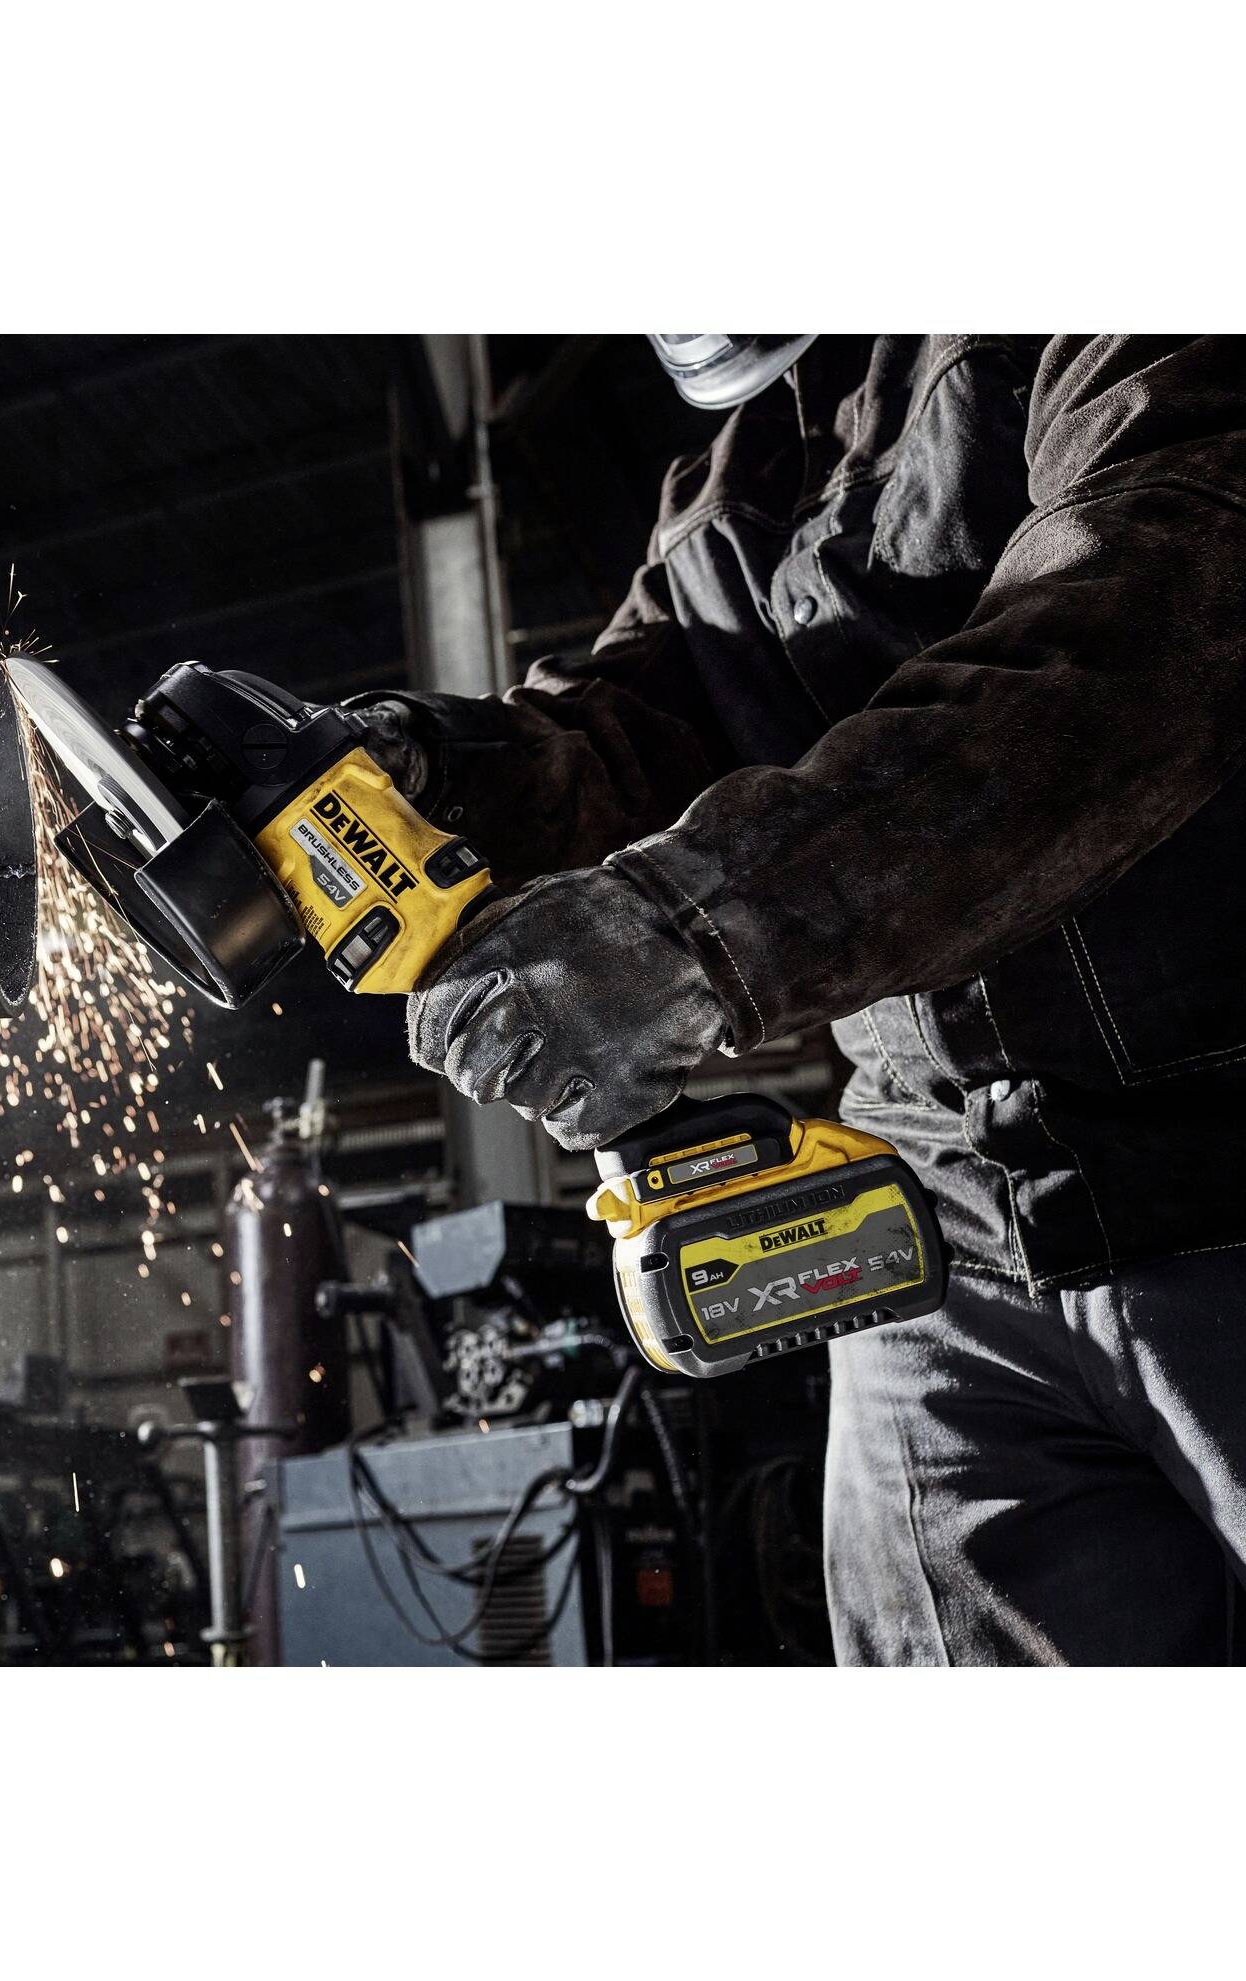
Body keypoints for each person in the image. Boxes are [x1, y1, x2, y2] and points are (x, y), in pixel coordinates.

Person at [360, 336, 1246, 1665]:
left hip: (1219, 1161)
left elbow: (1137, 652)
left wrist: (699, 928)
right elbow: (622, 736)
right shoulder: (735, 483)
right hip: (948, 1236)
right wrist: (416, 772)